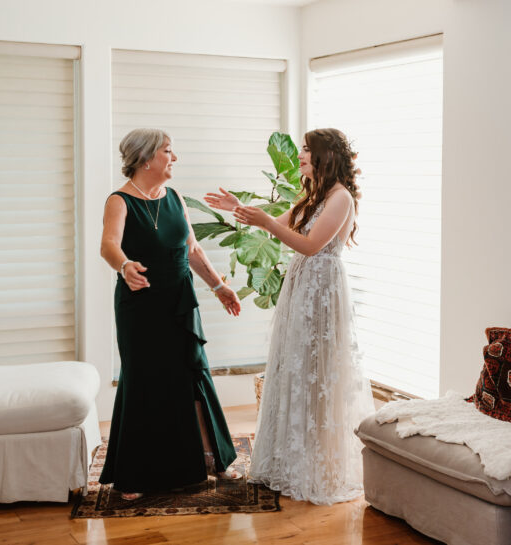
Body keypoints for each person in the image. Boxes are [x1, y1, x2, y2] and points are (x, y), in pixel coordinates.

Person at [205, 128, 374, 505]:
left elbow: (312, 246)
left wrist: (265, 221)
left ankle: (314, 465)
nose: (300, 156)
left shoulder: (340, 198)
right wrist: (240, 208)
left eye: (306, 151)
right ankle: (288, 459)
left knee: (317, 375)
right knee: (293, 369)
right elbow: (279, 224)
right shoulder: (314, 195)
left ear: (324, 157)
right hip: (301, 289)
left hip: (322, 292)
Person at [100, 128, 243, 500]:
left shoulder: (175, 197)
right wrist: (125, 265)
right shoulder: (119, 201)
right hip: (140, 305)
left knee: (194, 372)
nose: (174, 157)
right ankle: (133, 474)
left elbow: (192, 249)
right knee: (144, 381)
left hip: (180, 302)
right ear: (147, 158)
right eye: (168, 151)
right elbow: (108, 245)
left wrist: (218, 286)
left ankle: (214, 459)